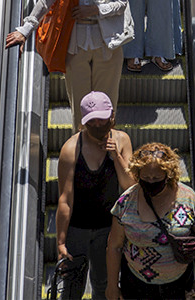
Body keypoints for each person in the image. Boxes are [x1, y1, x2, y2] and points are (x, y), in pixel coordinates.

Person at [5, 0, 133, 130]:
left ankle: (107, 148)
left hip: (108, 43)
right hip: (74, 44)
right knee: (80, 105)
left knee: (108, 103)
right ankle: (81, 149)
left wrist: (95, 9)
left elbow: (122, 2)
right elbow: (46, 0)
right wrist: (26, 29)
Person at [106, 142, 195, 300]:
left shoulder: (188, 199)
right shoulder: (126, 203)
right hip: (136, 285)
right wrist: (112, 286)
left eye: (156, 178)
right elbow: (114, 246)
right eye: (146, 177)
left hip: (179, 285)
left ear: (168, 174)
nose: (151, 182)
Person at [55, 91, 134, 300]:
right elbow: (65, 199)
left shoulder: (122, 140)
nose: (98, 127)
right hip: (77, 228)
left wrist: (115, 156)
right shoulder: (71, 149)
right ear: (83, 123)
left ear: (112, 117)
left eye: (103, 121)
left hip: (108, 227)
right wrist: (61, 242)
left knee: (105, 283)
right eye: (92, 123)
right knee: (72, 285)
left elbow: (130, 187)